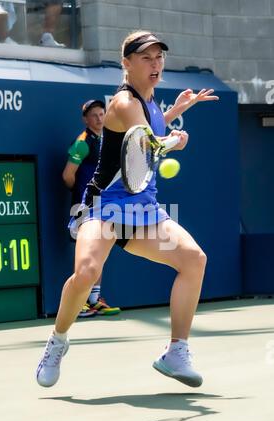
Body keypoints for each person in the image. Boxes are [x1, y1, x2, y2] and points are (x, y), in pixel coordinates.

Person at [36, 30, 219, 388]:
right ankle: (57, 340)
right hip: (104, 208)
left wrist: (178, 110)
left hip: (142, 211)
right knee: (87, 272)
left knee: (194, 260)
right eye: (146, 58)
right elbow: (147, 141)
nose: (155, 64)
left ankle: (176, 351)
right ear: (126, 63)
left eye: (159, 57)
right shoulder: (122, 102)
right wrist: (173, 141)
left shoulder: (149, 102)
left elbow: (149, 127)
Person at [62, 99, 120, 318]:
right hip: (85, 206)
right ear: (86, 119)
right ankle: (80, 302)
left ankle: (94, 300)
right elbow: (68, 175)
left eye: (101, 113)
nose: (99, 118)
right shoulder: (82, 142)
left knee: (100, 251)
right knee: (86, 253)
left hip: (103, 206)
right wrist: (80, 194)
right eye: (94, 115)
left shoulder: (107, 140)